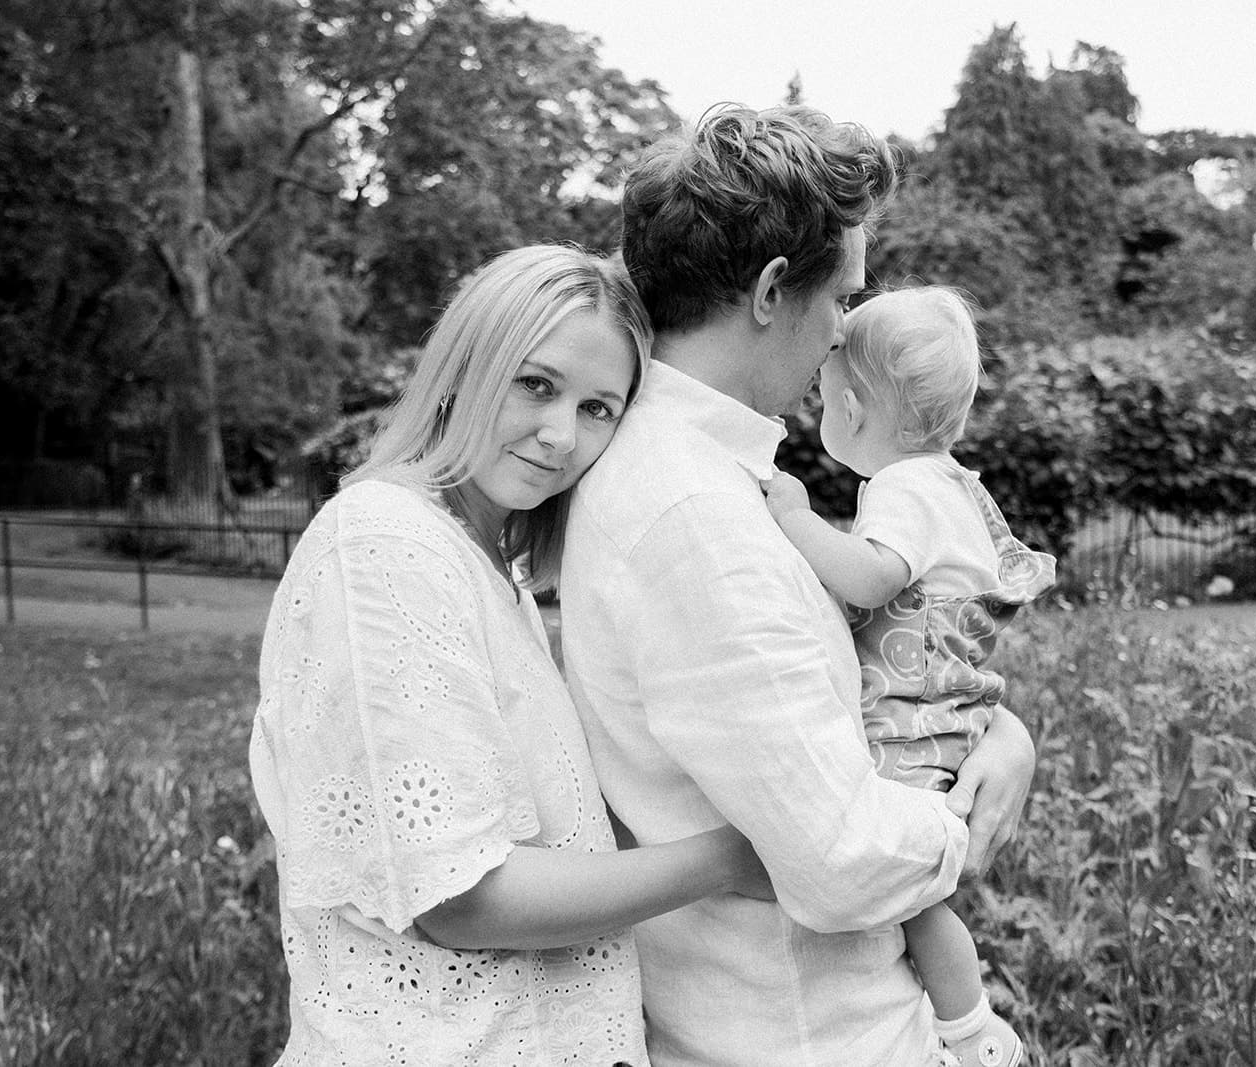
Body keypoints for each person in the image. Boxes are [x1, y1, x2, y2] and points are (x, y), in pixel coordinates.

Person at [560, 105, 1038, 1065]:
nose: (842, 333)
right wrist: (964, 811)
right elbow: (842, 862)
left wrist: (1001, 731)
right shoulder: (694, 520)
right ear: (775, 290)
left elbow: (830, 694)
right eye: (842, 298)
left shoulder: (711, 479)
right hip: (812, 1033)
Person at [248, 244, 770, 1066]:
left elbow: (566, 847)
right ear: (467, 365)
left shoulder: (497, 573)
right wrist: (734, 853)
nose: (562, 435)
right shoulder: (383, 542)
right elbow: (459, 895)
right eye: (537, 384)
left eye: (599, 408)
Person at [763, 286, 1057, 1067]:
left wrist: (792, 520)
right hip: (945, 715)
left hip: (912, 723)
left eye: (824, 398)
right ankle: (956, 1021)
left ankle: (970, 1031)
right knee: (918, 899)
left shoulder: (902, 488)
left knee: (910, 896)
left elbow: (870, 579)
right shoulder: (955, 484)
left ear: (852, 407)